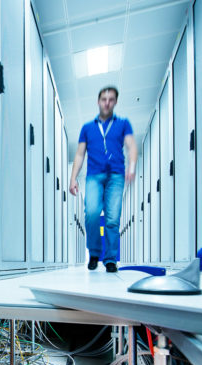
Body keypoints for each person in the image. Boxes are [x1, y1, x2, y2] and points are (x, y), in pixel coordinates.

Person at [69, 86, 137, 272]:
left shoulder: (123, 124)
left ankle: (110, 259)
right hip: (94, 176)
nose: (107, 103)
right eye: (104, 99)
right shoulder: (87, 128)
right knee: (91, 214)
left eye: (111, 99)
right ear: (98, 101)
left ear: (115, 102)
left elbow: (131, 146)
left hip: (116, 176)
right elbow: (80, 154)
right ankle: (94, 253)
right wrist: (73, 178)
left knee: (112, 219)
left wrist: (131, 167)